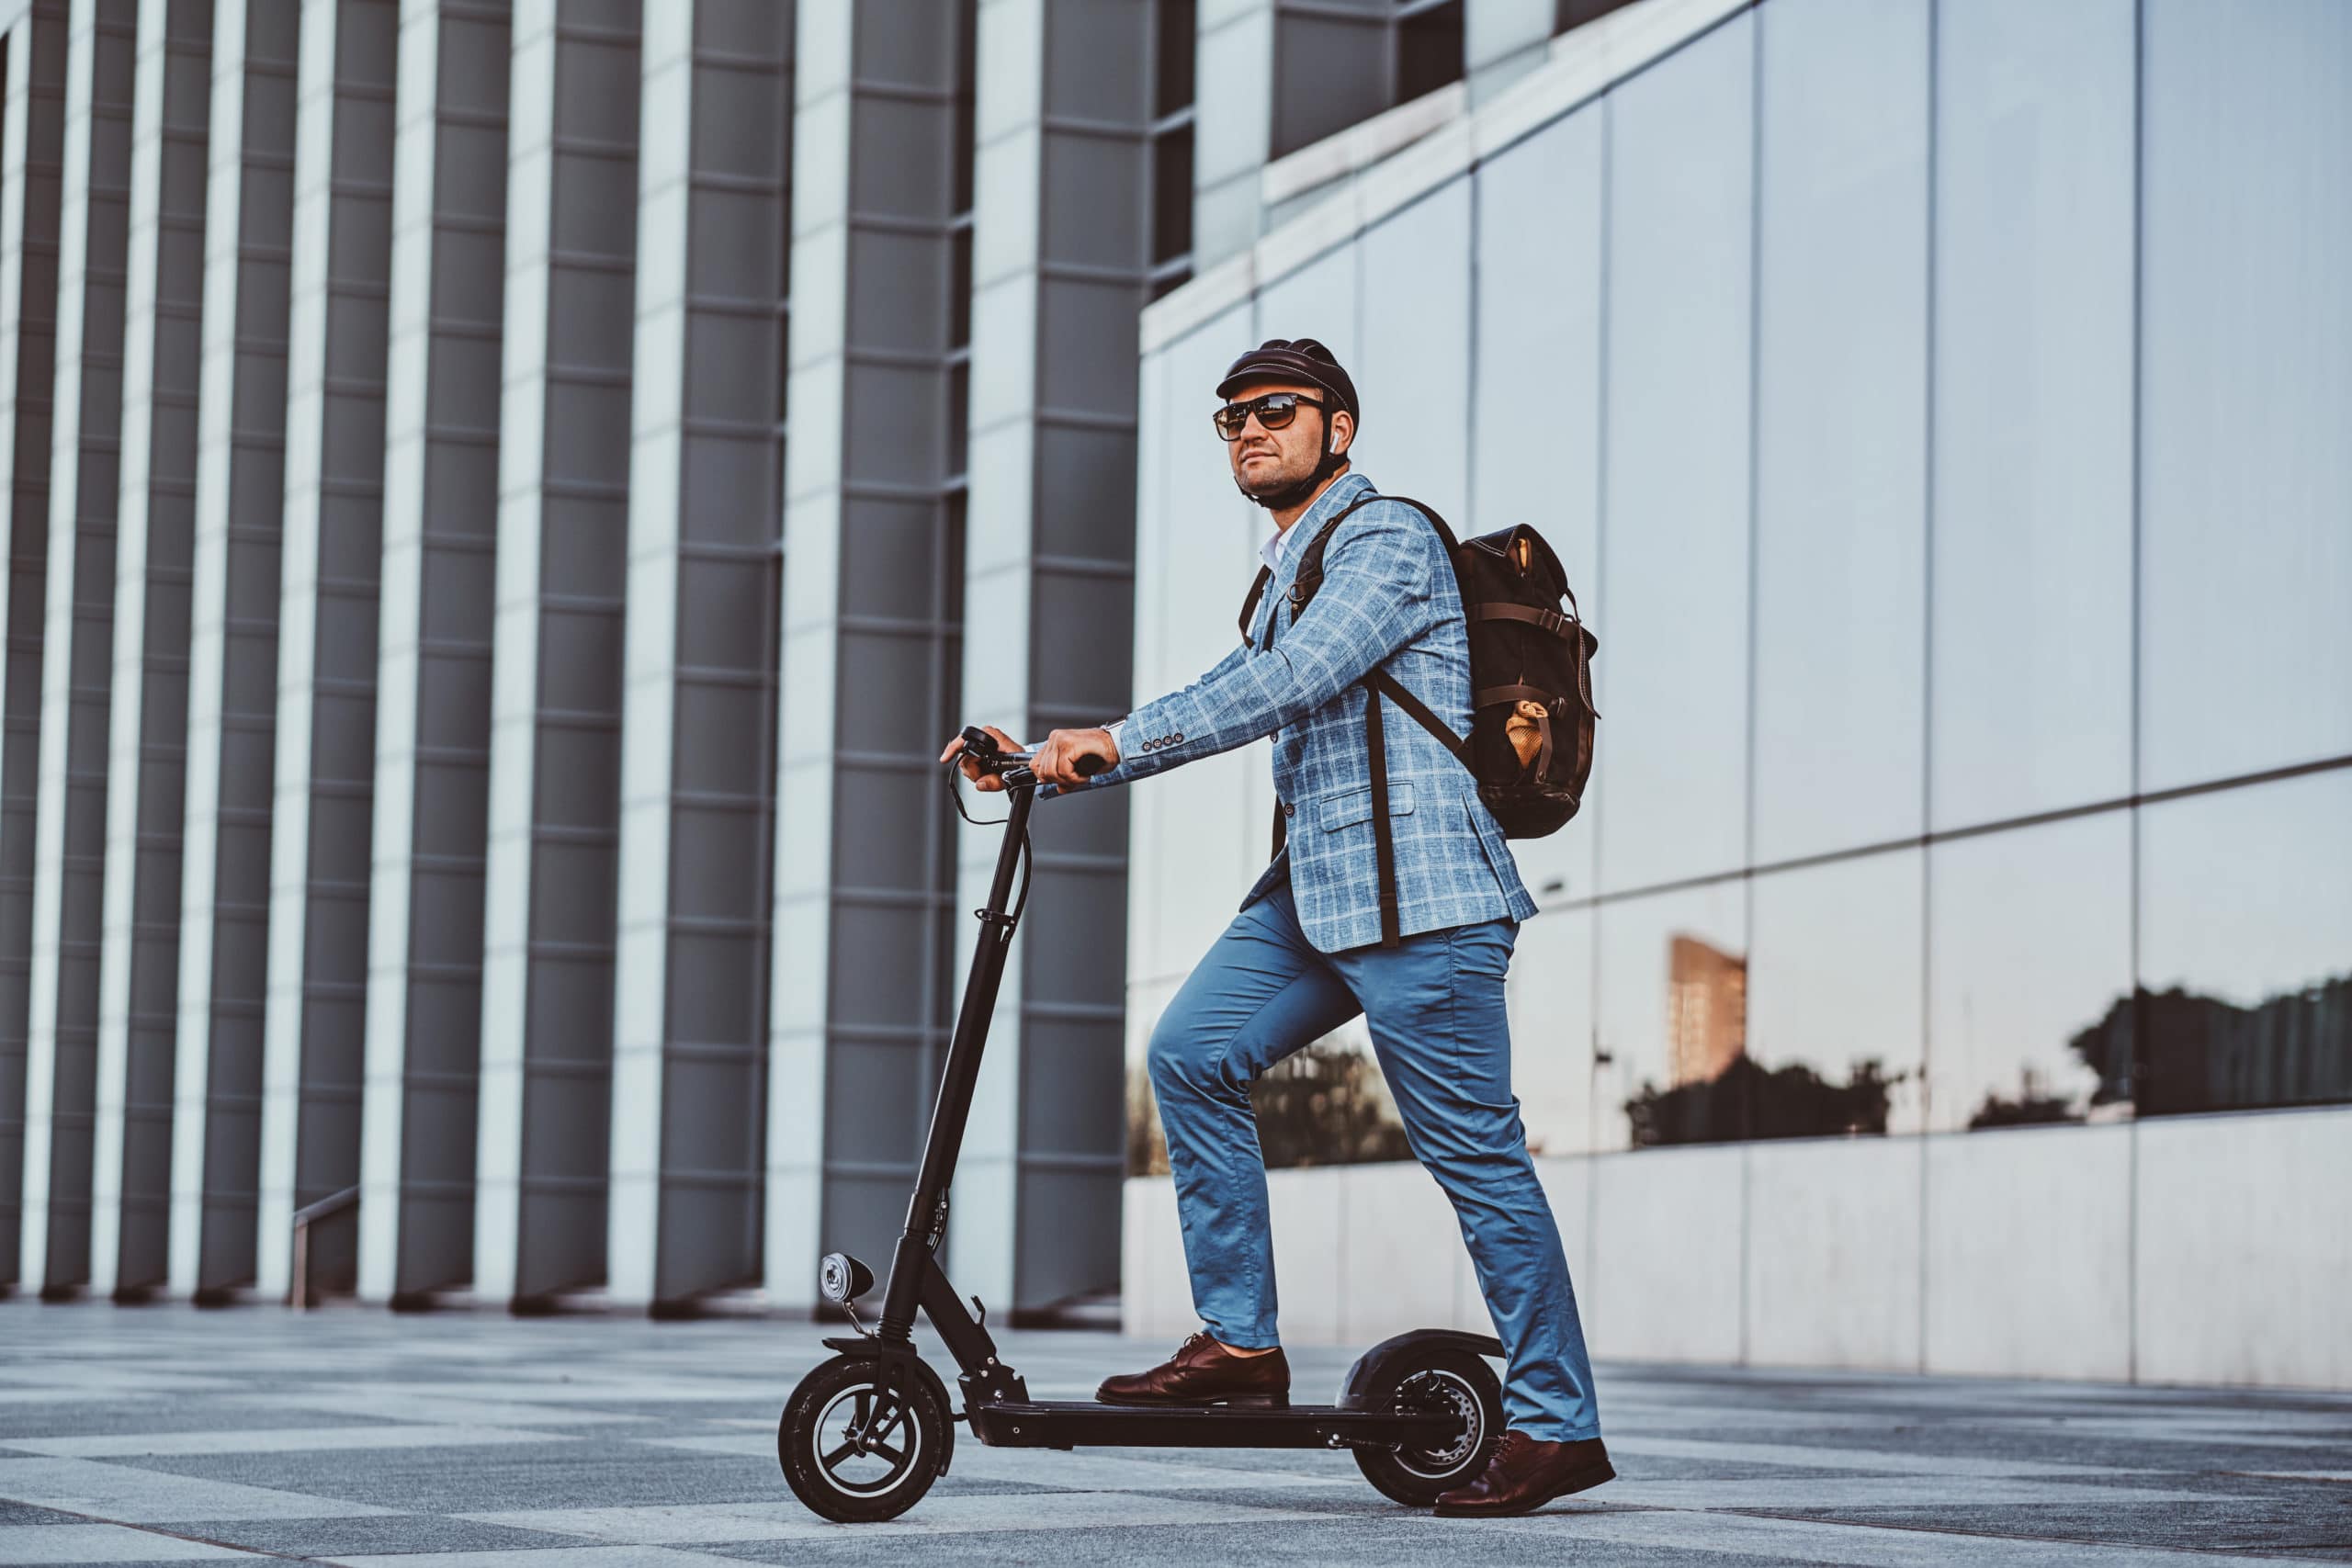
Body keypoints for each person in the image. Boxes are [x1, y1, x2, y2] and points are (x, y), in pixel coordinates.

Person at [941, 337, 1608, 1517]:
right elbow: (1219, 685)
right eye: (1232, 417)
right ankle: (1239, 1346)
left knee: (1475, 1163)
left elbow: (1292, 680)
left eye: (1278, 409)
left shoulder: (1388, 540)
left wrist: (1120, 743)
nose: (1250, 429)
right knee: (1191, 1053)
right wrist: (1054, 752)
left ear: (1336, 430)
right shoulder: (1283, 571)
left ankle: (1557, 1424)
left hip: (1429, 906)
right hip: (1318, 895)